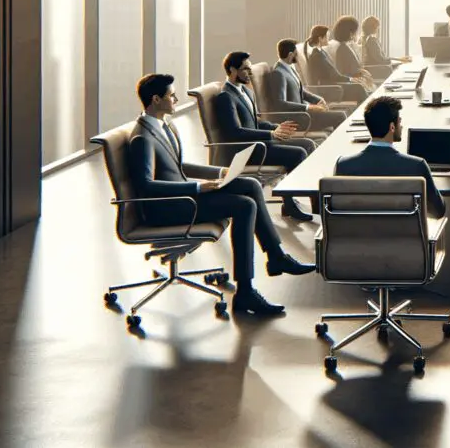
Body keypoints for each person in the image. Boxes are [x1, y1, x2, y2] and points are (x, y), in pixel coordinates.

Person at [128, 73, 315, 317]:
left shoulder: (164, 125)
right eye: (171, 95)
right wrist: (196, 188)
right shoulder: (142, 138)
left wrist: (219, 171)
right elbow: (146, 186)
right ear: (155, 99)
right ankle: (245, 291)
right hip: (170, 207)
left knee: (249, 184)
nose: (175, 98)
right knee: (244, 206)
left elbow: (178, 166)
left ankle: (276, 255)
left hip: (185, 197)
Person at [215, 51, 316, 220]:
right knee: (298, 153)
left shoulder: (246, 92)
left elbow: (255, 121)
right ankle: (289, 203)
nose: (250, 72)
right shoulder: (226, 97)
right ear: (232, 70)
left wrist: (276, 127)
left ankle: (312, 198)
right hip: (248, 150)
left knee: (307, 143)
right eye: (245, 69)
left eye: (250, 68)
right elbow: (234, 132)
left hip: (260, 143)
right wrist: (270, 134)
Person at [332, 96, 446, 218]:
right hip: (404, 236)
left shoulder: (343, 165)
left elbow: (335, 211)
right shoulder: (417, 166)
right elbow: (438, 211)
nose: (401, 126)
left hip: (359, 235)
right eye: (399, 122)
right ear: (392, 127)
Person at [270, 38, 348, 132]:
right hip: (298, 119)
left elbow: (300, 91)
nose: (298, 55)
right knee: (340, 116)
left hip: (303, 115)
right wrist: (309, 107)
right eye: (296, 53)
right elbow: (280, 104)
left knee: (337, 114)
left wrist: (318, 99)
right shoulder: (278, 73)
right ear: (290, 55)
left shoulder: (288, 68)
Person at [305, 24, 369, 101]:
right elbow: (333, 75)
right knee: (358, 88)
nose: (328, 39)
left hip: (333, 84)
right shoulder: (316, 56)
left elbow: (333, 73)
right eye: (326, 37)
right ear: (320, 38)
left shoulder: (322, 52)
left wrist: (350, 79)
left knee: (362, 88)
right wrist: (350, 79)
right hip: (330, 89)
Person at [331, 15, 374, 84]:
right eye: (356, 31)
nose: (357, 33)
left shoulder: (346, 46)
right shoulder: (343, 49)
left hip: (357, 82)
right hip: (353, 85)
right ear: (351, 33)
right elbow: (346, 72)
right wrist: (362, 75)